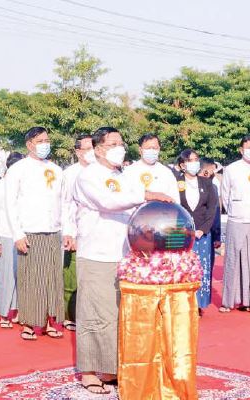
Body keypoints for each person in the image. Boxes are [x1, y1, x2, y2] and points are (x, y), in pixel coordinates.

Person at [67, 127, 171, 394]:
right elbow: (108, 202)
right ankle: (89, 371)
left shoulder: (122, 175)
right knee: (94, 314)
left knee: (117, 314)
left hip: (123, 254)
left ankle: (111, 367)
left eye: (121, 143)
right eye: (113, 144)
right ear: (98, 149)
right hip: (97, 254)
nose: (119, 148)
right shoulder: (88, 175)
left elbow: (136, 200)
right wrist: (147, 195)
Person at [4, 126, 66, 341]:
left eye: (47, 140)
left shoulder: (56, 169)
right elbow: (10, 204)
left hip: (53, 230)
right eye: (40, 141)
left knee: (52, 279)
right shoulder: (18, 169)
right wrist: (17, 234)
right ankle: (29, 324)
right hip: (30, 231)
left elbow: (63, 201)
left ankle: (50, 321)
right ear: (29, 144)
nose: (45, 145)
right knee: (32, 279)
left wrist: (66, 230)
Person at [219, 136, 250, 313]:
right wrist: (235, 209)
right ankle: (229, 301)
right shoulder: (231, 169)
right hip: (237, 217)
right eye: (249, 147)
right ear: (241, 150)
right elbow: (225, 195)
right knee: (233, 258)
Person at [174, 149, 219, 315]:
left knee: (201, 268)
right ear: (182, 165)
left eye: (196, 159)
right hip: (182, 234)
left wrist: (203, 229)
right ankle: (182, 302)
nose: (194, 163)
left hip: (202, 234)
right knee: (183, 267)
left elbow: (212, 209)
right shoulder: (175, 183)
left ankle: (198, 303)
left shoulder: (207, 184)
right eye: (190, 160)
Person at [58, 133, 94, 332]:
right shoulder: (70, 174)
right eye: (87, 148)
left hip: (97, 232)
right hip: (76, 232)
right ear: (78, 152)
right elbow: (65, 205)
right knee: (73, 275)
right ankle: (70, 315)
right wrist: (68, 232)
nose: (91, 152)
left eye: (94, 147)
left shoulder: (103, 171)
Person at [0, 152, 24, 328]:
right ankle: (3, 313)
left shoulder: (26, 185)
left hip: (23, 235)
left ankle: (19, 310)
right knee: (6, 276)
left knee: (22, 276)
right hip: (5, 235)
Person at [122, 133, 180, 200]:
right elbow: (125, 197)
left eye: (154, 148)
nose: (151, 151)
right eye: (148, 148)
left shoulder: (166, 172)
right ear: (140, 150)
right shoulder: (129, 171)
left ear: (159, 149)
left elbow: (175, 199)